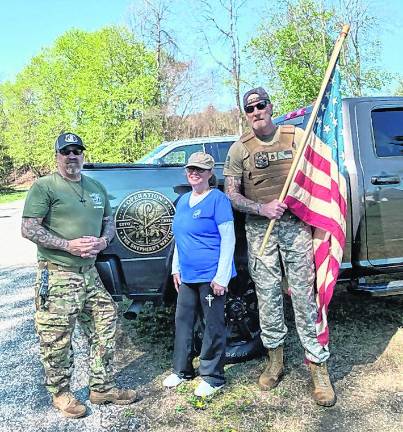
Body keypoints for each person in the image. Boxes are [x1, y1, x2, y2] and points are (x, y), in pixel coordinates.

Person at [223, 87, 336, 407]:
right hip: (261, 233)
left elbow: (317, 169)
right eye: (250, 108)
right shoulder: (239, 149)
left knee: (303, 297)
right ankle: (275, 360)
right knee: (268, 298)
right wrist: (262, 209)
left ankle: (318, 367)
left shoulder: (295, 137)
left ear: (271, 107)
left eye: (261, 105)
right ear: (246, 114)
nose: (257, 111)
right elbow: (232, 194)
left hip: (296, 228)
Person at [21, 132, 136, 418]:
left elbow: (109, 224)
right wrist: (66, 244)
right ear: (57, 156)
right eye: (66, 152)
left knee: (105, 325)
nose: (72, 156)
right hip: (58, 273)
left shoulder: (96, 187)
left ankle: (101, 387)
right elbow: (28, 228)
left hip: (89, 274)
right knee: (56, 337)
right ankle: (61, 394)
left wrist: (103, 241)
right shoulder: (44, 187)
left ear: (83, 154)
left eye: (77, 151)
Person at [163, 152, 236, 397]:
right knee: (183, 321)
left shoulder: (218, 199)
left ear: (209, 173)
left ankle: (213, 377)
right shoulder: (183, 200)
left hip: (211, 276)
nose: (194, 173)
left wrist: (222, 277)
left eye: (200, 170)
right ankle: (182, 370)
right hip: (187, 276)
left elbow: (229, 239)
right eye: (191, 169)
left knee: (212, 325)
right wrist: (176, 268)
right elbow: (180, 238)